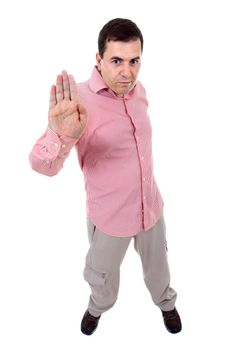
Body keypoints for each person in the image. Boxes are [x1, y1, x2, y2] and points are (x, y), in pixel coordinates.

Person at [29, 18, 182, 336]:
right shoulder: (77, 104)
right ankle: (97, 308)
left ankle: (166, 303)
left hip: (150, 208)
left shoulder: (139, 91)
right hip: (110, 217)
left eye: (134, 61)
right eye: (116, 61)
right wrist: (59, 135)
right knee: (101, 276)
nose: (127, 72)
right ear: (98, 60)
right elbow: (43, 166)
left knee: (158, 269)